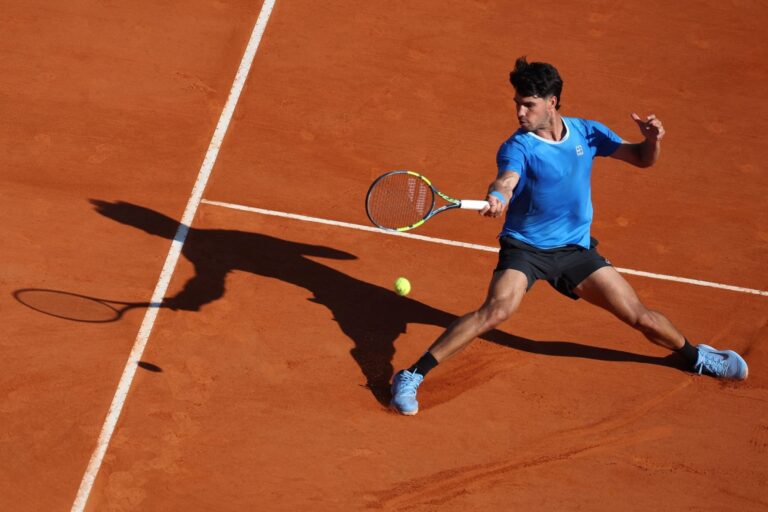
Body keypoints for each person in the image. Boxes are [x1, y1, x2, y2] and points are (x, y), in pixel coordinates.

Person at [390, 56, 749, 416]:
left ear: (552, 102)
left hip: (575, 249)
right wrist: (499, 197)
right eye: (517, 103)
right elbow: (506, 179)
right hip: (526, 248)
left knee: (640, 316)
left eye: (528, 105)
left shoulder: (588, 133)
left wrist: (653, 141)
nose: (519, 112)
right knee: (497, 310)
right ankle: (411, 375)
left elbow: (641, 158)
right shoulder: (518, 146)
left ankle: (697, 358)